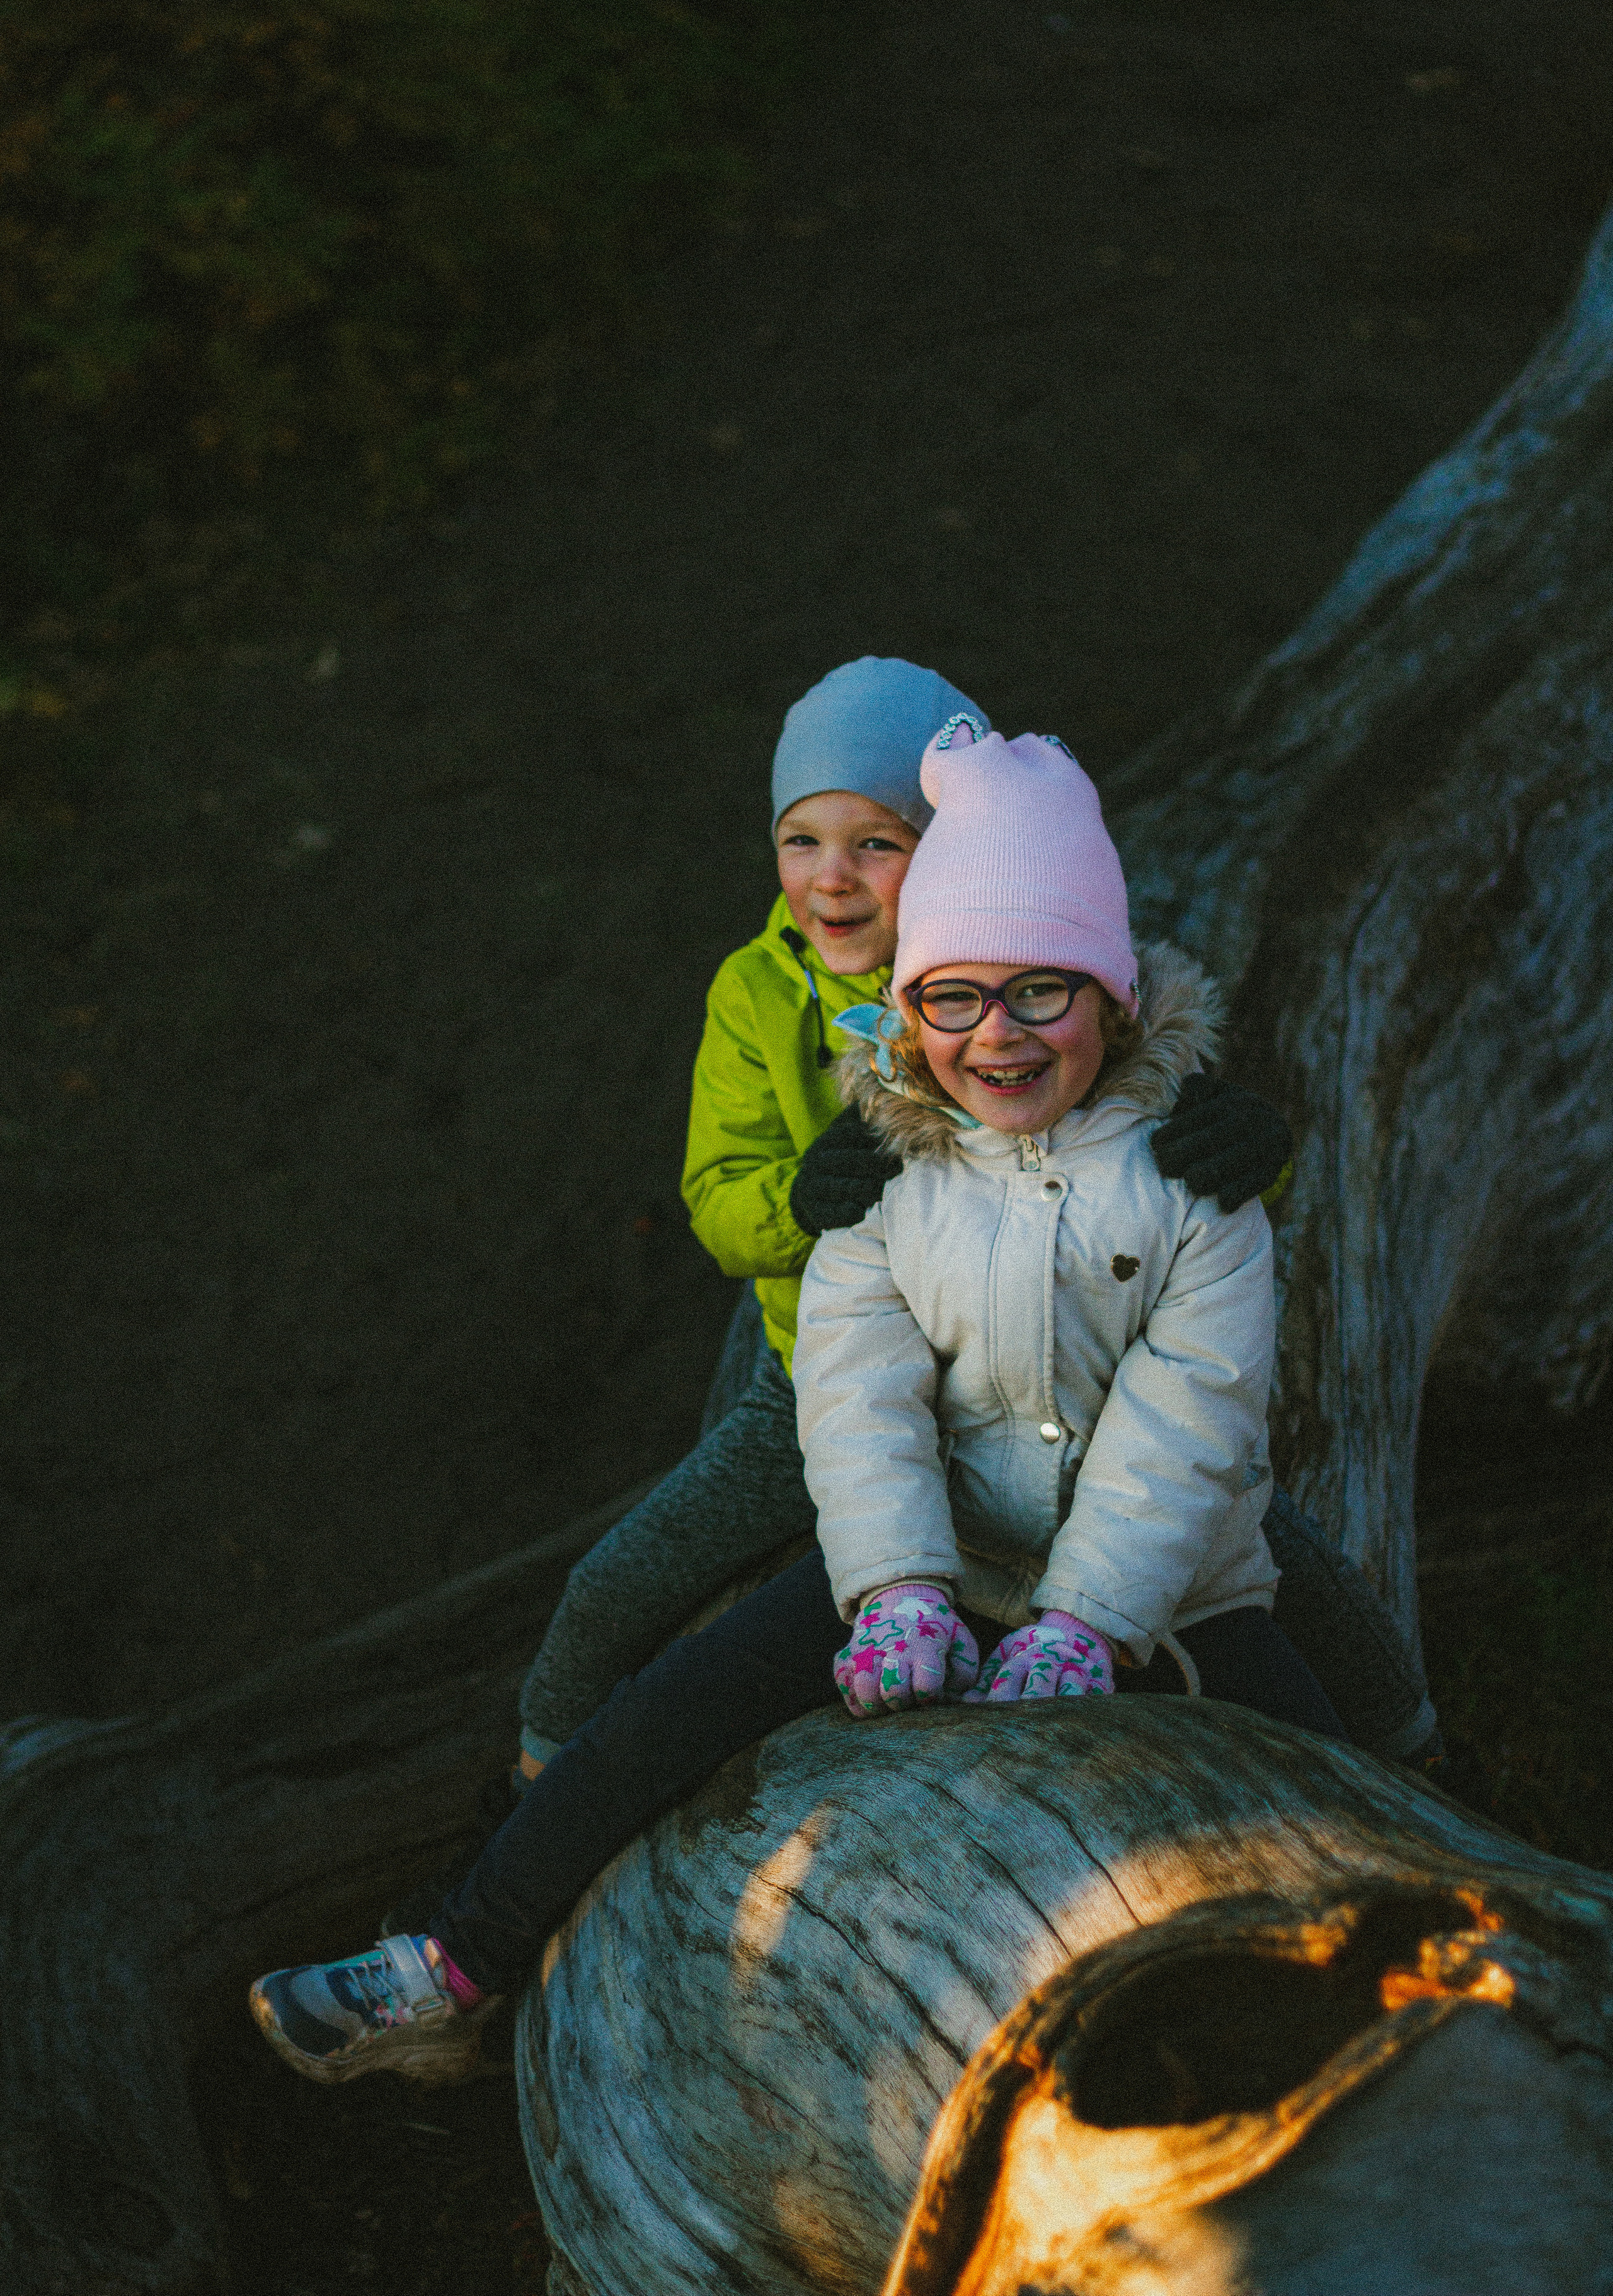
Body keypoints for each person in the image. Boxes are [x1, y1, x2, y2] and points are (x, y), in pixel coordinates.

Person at [248, 721, 1343, 2089]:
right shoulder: (881, 1187)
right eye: (953, 997)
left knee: (1345, 1773)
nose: (994, 1033)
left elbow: (1190, 1423)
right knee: (664, 1709)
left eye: (1040, 992)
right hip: (931, 1554)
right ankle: (455, 1961)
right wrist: (894, 1584)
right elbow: (857, 1394)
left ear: (1113, 1001)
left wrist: (1085, 1618)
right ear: (909, 1009)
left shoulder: (1199, 1191)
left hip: (1168, 1588)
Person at [506, 657, 1294, 1787]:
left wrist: (1255, 1154)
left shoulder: (1040, 955)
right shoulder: (759, 995)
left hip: (1070, 1376)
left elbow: (1163, 1160)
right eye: (800, 841)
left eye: (878, 842)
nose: (832, 881)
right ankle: (541, 1769)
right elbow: (721, 1203)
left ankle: (1411, 1752)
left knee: (1298, 1572)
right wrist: (803, 1200)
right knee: (622, 1584)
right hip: (826, 1377)